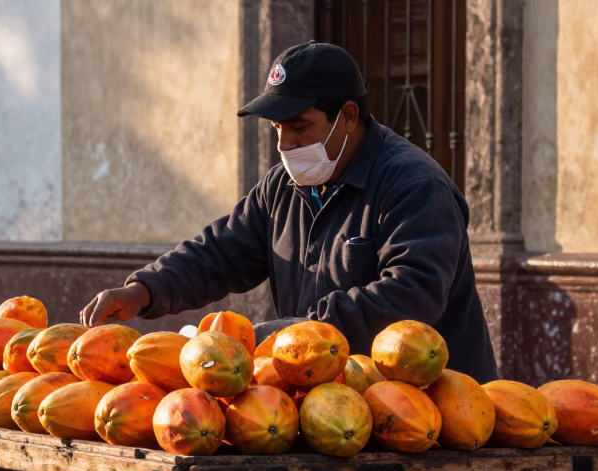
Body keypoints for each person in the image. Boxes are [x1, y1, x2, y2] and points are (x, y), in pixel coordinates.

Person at [81, 42, 497, 382]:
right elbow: (221, 252)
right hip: (330, 399)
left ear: (348, 117)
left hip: (430, 413)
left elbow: (411, 296)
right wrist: (145, 290)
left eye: (299, 127)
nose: (286, 144)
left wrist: (289, 334)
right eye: (277, 129)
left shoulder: (415, 186)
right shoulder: (282, 185)